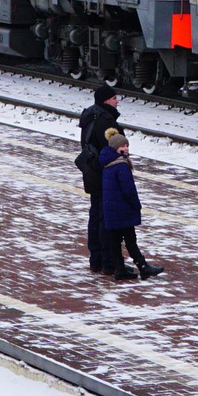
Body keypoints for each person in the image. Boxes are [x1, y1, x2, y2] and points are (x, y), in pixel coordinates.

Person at [97, 128, 158, 280]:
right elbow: (129, 189)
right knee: (131, 240)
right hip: (123, 210)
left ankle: (119, 269)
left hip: (111, 210)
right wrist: (136, 205)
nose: (125, 149)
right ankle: (143, 267)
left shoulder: (107, 164)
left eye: (126, 146)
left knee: (115, 241)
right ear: (115, 148)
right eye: (122, 146)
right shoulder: (121, 165)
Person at [75, 82, 122, 272]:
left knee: (95, 215)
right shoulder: (106, 121)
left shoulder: (91, 116)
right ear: (105, 101)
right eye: (113, 98)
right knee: (105, 217)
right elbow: (112, 150)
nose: (117, 101)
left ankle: (96, 259)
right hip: (105, 173)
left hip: (92, 172)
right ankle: (108, 262)